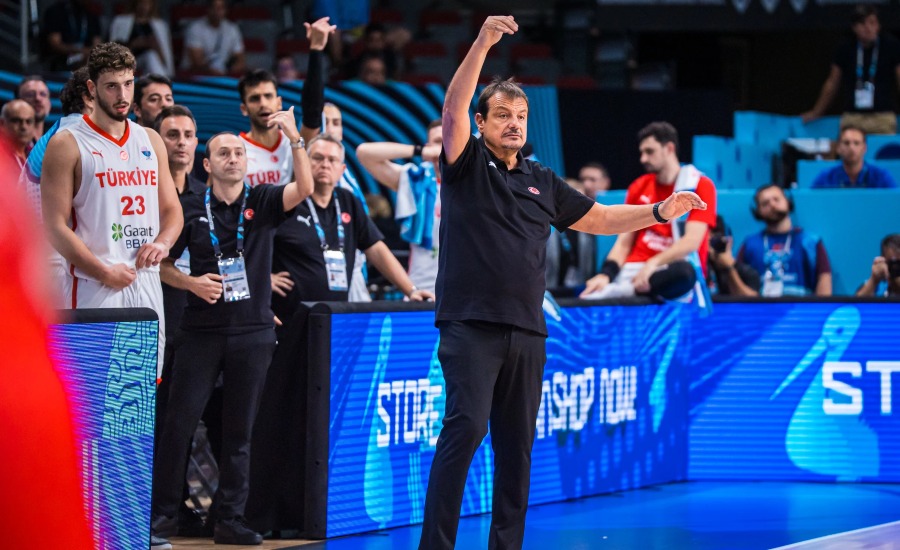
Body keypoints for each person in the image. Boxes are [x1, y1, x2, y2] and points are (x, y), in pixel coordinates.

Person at [420, 16, 706, 550]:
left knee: (517, 449)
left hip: (528, 330)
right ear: (481, 122)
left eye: (521, 116)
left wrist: (659, 212)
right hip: (471, 326)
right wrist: (483, 42)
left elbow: (601, 218)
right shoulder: (465, 165)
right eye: (502, 115)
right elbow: (453, 108)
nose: (514, 123)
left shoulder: (542, 180)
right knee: (466, 430)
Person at [39, 42, 182, 550]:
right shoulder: (67, 143)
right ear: (91, 89)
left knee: (137, 412)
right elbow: (55, 226)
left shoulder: (149, 139)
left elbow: (172, 210)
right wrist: (101, 267)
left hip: (145, 290)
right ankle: (78, 528)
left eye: (128, 84)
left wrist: (164, 243)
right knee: (88, 418)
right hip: (93, 291)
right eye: (112, 87)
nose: (123, 95)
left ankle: (127, 527)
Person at [151, 121, 313, 545]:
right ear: (207, 164)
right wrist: (191, 283)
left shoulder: (263, 200)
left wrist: (295, 139)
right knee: (179, 426)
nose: (233, 158)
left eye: (239, 153)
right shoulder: (189, 207)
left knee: (240, 433)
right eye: (224, 153)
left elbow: (305, 187)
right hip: (200, 332)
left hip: (252, 333)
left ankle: (229, 519)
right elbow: (161, 265)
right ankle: (162, 517)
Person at [271, 134, 432, 321]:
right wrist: (263, 279)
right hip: (288, 317)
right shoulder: (287, 200)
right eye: (318, 158)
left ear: (342, 170)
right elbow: (252, 241)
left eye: (332, 160)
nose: (325, 164)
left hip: (335, 318)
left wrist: (411, 290)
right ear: (304, 163)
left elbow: (376, 249)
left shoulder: (348, 201)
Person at [580, 122, 717, 302]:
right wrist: (606, 274)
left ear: (669, 148)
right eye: (642, 152)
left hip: (667, 268)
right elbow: (624, 242)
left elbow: (691, 241)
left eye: (649, 151)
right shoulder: (639, 186)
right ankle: (628, 288)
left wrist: (653, 263)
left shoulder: (699, 184)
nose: (643, 159)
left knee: (685, 273)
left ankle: (629, 291)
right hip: (633, 270)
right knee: (599, 278)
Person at [238, 19, 335, 188]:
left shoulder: (295, 141)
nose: (263, 103)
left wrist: (316, 49)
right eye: (254, 98)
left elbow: (312, 114)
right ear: (244, 108)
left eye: (268, 96)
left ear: (279, 103)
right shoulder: (236, 149)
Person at [356, 119, 443, 293]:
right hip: (425, 286)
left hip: (468, 288)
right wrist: (420, 151)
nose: (443, 148)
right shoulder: (417, 180)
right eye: (438, 142)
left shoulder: (474, 180)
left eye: (448, 140)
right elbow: (364, 153)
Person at [802, 4, 900, 135]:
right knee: (848, 144)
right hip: (853, 116)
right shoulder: (845, 47)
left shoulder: (891, 45)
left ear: (878, 25)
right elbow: (832, 82)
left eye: (872, 23)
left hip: (882, 116)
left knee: (884, 146)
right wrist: (817, 111)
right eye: (863, 24)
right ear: (854, 27)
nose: (868, 28)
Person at [737, 184, 832, 297]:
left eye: (776, 199)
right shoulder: (750, 244)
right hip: (762, 306)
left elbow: (824, 279)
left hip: (801, 306)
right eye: (765, 203)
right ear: (758, 211)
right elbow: (737, 281)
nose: (772, 205)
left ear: (788, 202)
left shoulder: (810, 242)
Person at [545, 177, 598, 291]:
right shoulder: (544, 228)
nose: (579, 205)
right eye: (575, 199)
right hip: (549, 290)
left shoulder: (591, 232)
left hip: (580, 291)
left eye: (583, 200)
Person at [811, 125, 897, 188]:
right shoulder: (826, 177)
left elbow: (895, 202)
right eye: (846, 143)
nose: (851, 148)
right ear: (838, 148)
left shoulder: (881, 176)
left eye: (856, 143)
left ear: (864, 148)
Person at [109, 0, 174, 77]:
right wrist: (133, 44)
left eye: (147, 4)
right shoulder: (121, 21)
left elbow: (165, 53)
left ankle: (160, 81)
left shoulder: (160, 25)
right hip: (128, 58)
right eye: (141, 3)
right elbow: (113, 48)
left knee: (151, 56)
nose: (144, 7)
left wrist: (152, 45)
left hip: (148, 60)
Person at [182, 0, 246, 76]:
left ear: (226, 10)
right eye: (214, 7)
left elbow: (240, 59)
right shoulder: (195, 28)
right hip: (196, 76)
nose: (217, 11)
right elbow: (197, 62)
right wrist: (214, 71)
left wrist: (230, 69)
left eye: (221, 8)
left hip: (224, 75)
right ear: (208, 9)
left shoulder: (232, 29)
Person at [705, 215, 761, 296]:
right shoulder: (697, 269)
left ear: (729, 241)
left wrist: (729, 267)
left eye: (716, 236)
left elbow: (752, 301)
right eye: (706, 237)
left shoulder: (746, 272)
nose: (711, 240)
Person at [40, 0, 103, 71]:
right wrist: (79, 51)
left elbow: (97, 44)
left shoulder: (91, 15)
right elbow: (55, 43)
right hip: (59, 64)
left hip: (85, 62)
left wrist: (88, 53)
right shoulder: (56, 11)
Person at [0, 100, 36, 169]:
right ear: (2, 123)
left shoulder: (36, 154)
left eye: (28, 121)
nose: (24, 127)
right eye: (16, 121)